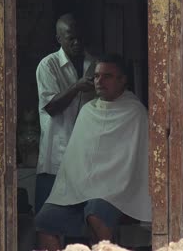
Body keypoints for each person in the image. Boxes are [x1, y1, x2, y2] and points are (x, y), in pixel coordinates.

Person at [35, 54, 152, 250]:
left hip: (116, 191)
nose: (99, 81)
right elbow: (76, 160)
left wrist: (105, 185)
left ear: (122, 80)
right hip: (78, 190)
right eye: (97, 76)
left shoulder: (135, 112)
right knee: (44, 221)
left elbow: (135, 162)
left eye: (107, 76)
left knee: (95, 214)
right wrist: (77, 186)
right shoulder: (88, 110)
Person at [35, 13, 96, 213]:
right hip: (56, 157)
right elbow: (51, 107)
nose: (77, 42)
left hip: (85, 158)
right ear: (59, 39)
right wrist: (76, 87)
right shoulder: (48, 65)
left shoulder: (94, 64)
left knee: (78, 224)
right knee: (46, 222)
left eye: (80, 37)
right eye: (71, 38)